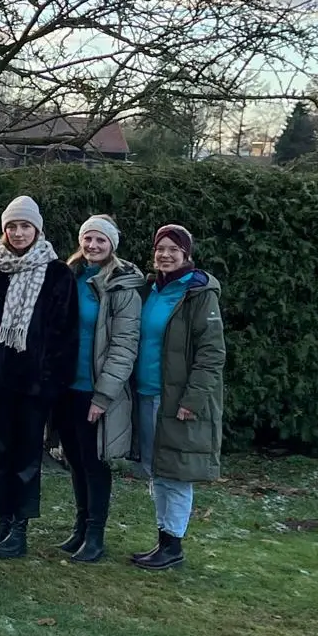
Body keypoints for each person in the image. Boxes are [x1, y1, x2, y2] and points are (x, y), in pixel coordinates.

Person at [0, 196, 79, 559]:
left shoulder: (57, 274)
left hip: (36, 386)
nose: (18, 233)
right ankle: (3, 522)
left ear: (37, 230)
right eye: (12, 226)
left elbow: (65, 335)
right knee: (0, 456)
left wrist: (51, 383)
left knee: (26, 460)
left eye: (25, 226)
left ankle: (20, 529)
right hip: (1, 382)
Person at [131, 224, 225, 571]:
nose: (166, 255)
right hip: (146, 393)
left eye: (174, 249)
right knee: (156, 470)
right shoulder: (149, 290)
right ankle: (162, 539)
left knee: (176, 473)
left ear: (187, 255)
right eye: (161, 249)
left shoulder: (199, 294)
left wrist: (192, 400)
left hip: (177, 400)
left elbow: (212, 354)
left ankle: (173, 544)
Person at [55, 215, 144, 563]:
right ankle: (79, 527)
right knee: (74, 460)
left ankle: (95, 535)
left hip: (96, 390)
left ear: (112, 245)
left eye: (100, 241)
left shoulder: (123, 285)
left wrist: (104, 395)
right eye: (87, 239)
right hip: (66, 386)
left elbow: (124, 345)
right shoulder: (72, 275)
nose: (92, 246)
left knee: (94, 463)